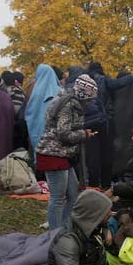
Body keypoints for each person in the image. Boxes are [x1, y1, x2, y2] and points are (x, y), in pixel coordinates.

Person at [36, 74, 98, 229]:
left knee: (73, 194)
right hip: (53, 154)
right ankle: (54, 234)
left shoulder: (69, 102)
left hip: (62, 154)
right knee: (58, 198)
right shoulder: (68, 105)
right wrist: (84, 134)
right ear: (83, 93)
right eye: (89, 98)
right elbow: (63, 133)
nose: (90, 102)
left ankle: (64, 227)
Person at [49, 190, 114, 265]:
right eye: (105, 212)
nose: (110, 213)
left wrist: (106, 229)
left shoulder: (93, 228)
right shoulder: (68, 242)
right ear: (93, 215)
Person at [25, 64, 62, 155]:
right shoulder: (60, 92)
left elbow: (29, 114)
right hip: (57, 141)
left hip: (37, 134)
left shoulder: (34, 93)